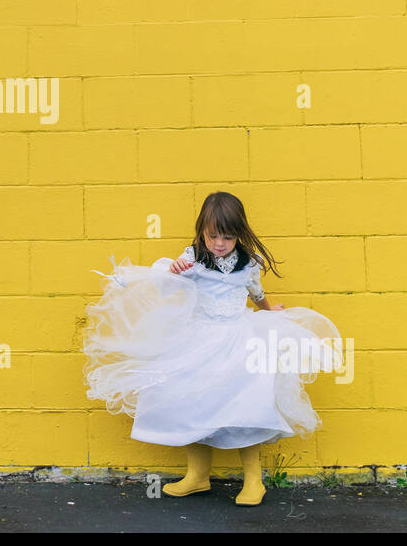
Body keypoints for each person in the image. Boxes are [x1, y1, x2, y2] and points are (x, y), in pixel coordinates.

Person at [83, 191, 342, 505]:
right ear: (202, 231)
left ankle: (253, 480)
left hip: (238, 336)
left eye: (228, 237)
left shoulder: (248, 263)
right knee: (194, 401)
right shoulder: (192, 256)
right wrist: (175, 270)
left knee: (246, 404)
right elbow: (170, 286)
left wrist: (269, 309)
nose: (219, 243)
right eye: (213, 236)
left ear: (239, 234)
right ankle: (197, 475)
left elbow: (256, 292)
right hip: (198, 337)